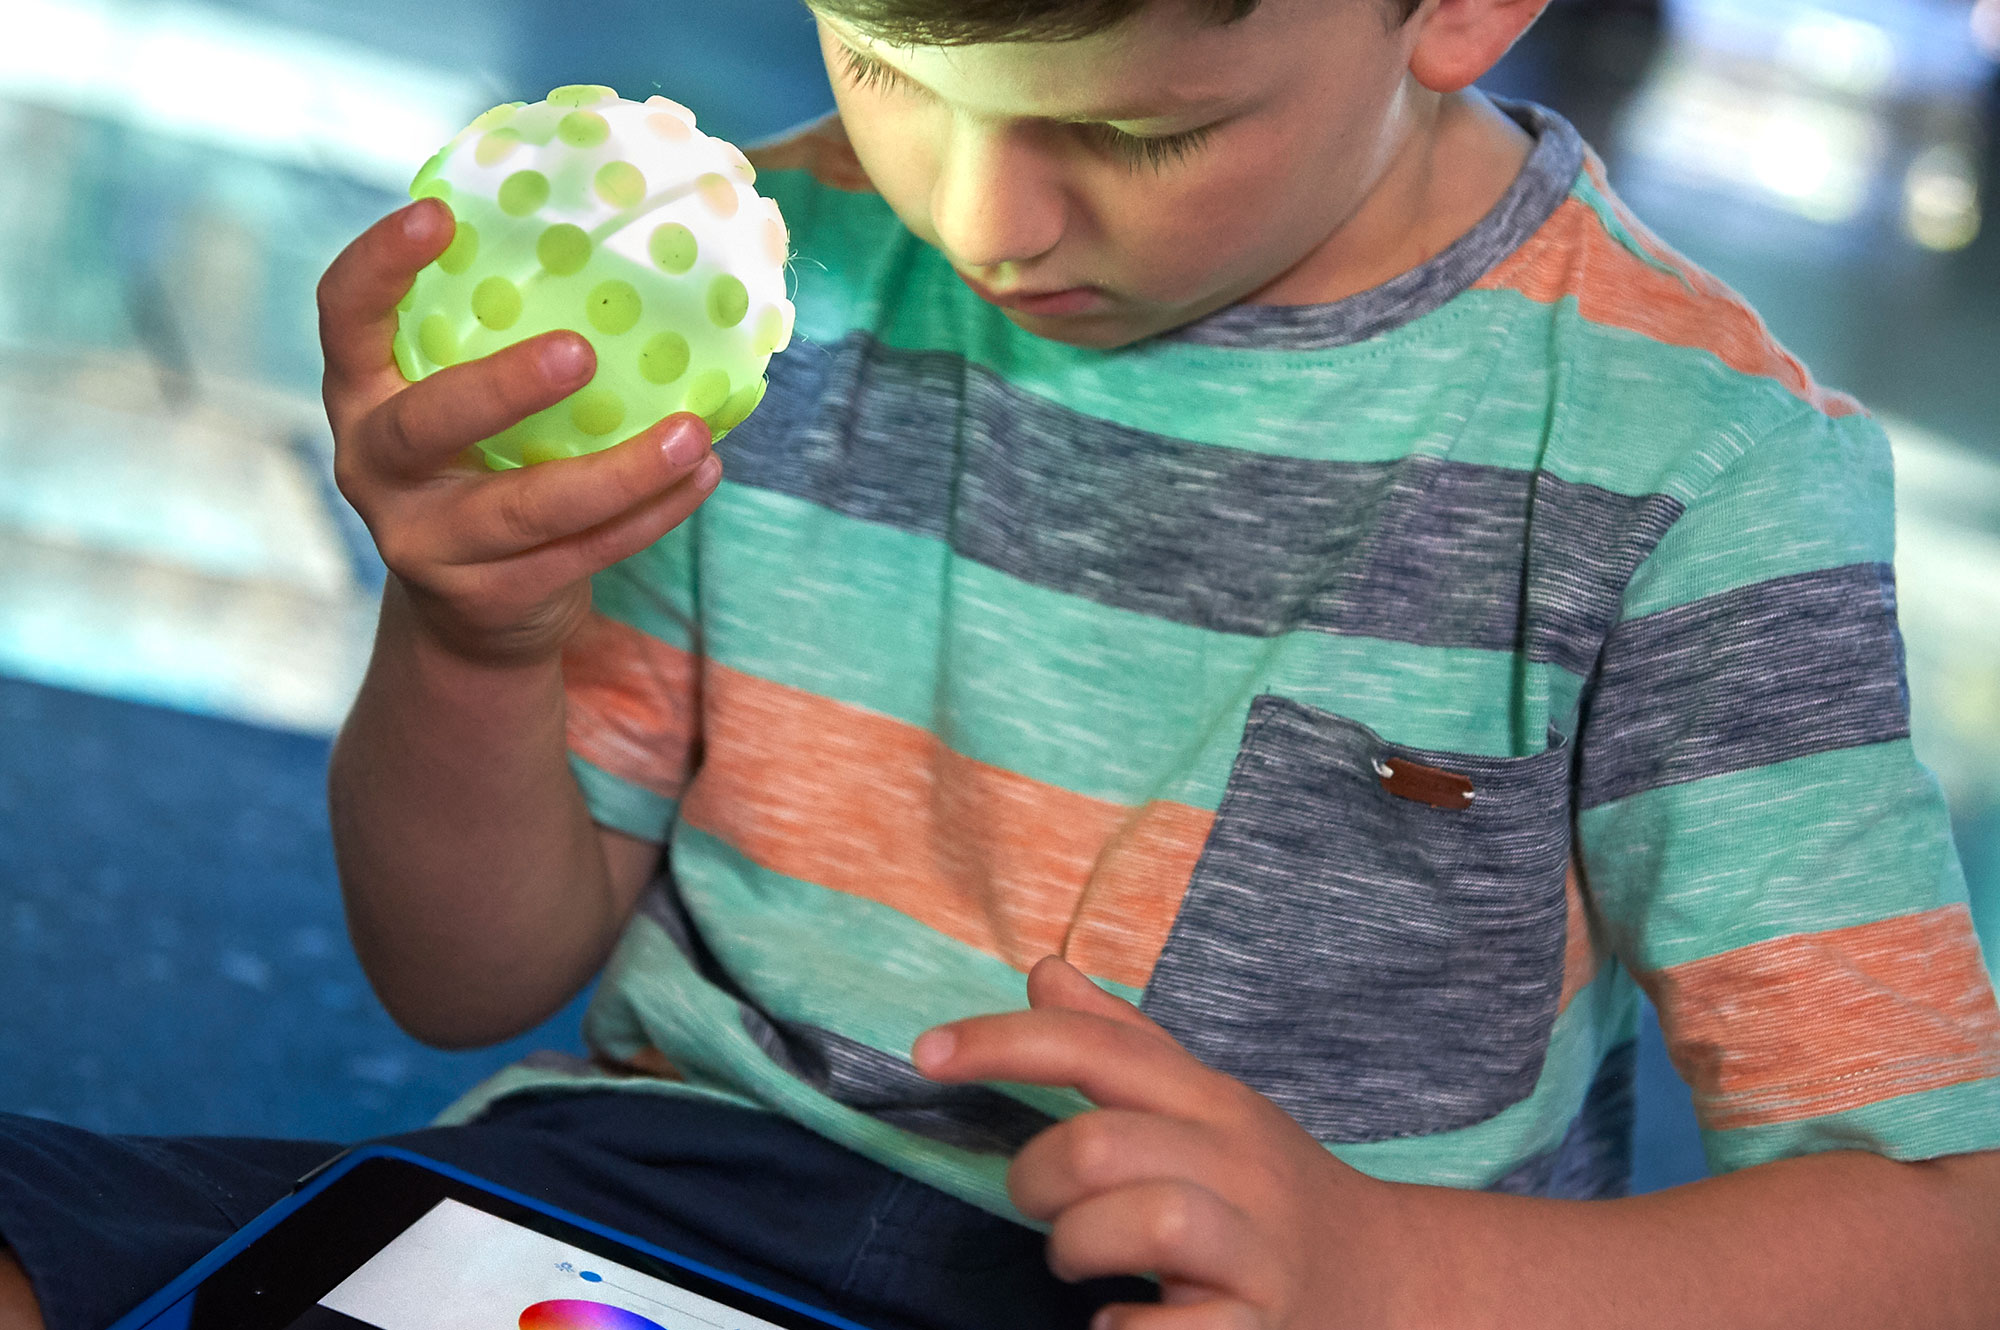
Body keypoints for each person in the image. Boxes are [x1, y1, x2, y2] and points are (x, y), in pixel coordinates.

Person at [6, 0, 2000, 1325]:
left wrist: (1383, 1257)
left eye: (1134, 132)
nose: (973, 213)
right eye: (890, 60)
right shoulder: (778, 279)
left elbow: (1936, 1225)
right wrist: (470, 636)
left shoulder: (1689, 466)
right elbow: (461, 970)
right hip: (668, 1190)